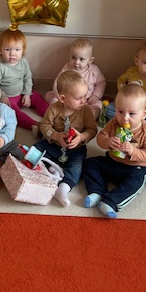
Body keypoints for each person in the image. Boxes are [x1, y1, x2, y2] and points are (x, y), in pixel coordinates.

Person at [83, 84, 146, 219]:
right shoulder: (114, 122)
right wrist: (108, 141)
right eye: (120, 111)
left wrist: (133, 151)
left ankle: (110, 201)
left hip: (134, 168)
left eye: (132, 114)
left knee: (136, 182)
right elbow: (101, 137)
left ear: (144, 114)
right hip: (112, 161)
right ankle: (97, 192)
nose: (125, 118)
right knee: (89, 163)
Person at [35, 70, 98, 208]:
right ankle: (51, 170)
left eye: (85, 96)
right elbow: (44, 126)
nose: (84, 101)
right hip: (53, 145)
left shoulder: (85, 111)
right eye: (79, 98)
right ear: (63, 98)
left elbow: (92, 130)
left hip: (75, 149)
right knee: (34, 151)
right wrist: (56, 135)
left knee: (78, 167)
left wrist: (81, 137)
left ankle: (63, 188)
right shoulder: (54, 108)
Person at [106, 40, 146, 141]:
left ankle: (140, 132)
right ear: (136, 61)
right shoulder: (131, 73)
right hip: (127, 112)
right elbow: (120, 80)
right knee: (108, 109)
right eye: (145, 63)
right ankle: (125, 126)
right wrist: (123, 93)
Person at [0, 28, 48, 133]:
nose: (12, 54)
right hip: (8, 98)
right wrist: (3, 97)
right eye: (7, 50)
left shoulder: (24, 62)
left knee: (37, 97)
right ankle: (34, 125)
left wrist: (27, 94)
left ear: (23, 51)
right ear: (0, 50)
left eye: (17, 50)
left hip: (22, 94)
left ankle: (52, 115)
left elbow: (27, 78)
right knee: (12, 111)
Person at [45, 38, 106, 120]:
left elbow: (101, 83)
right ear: (69, 55)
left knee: (99, 105)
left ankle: (85, 118)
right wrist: (58, 95)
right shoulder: (67, 68)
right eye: (73, 57)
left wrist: (96, 95)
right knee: (52, 98)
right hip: (68, 99)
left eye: (81, 59)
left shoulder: (94, 71)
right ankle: (61, 115)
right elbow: (57, 82)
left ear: (90, 60)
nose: (76, 62)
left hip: (86, 100)